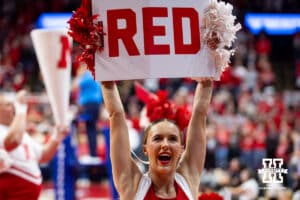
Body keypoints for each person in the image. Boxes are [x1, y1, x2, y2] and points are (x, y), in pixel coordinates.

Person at [101, 77, 213, 199]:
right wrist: (105, 73)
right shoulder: (132, 184)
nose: (165, 144)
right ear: (145, 148)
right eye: (157, 138)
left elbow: (200, 113)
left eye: (172, 139)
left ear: (181, 148)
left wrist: (210, 70)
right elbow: (115, 114)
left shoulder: (188, 177)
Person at [0, 90, 67, 200]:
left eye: (13, 104)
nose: (13, 107)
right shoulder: (12, 132)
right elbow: (13, 141)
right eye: (8, 105)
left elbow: (43, 155)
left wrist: (57, 136)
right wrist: (21, 109)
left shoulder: (20, 132)